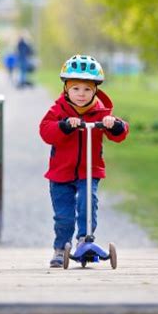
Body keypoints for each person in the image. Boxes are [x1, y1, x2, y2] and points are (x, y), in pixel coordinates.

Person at [39, 54, 129, 268]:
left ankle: (84, 240)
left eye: (87, 89)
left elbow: (121, 132)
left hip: (89, 171)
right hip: (61, 173)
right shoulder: (58, 111)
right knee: (64, 217)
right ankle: (61, 247)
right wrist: (64, 126)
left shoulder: (101, 112)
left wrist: (113, 124)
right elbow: (46, 132)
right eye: (76, 88)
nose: (81, 94)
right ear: (66, 89)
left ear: (95, 90)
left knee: (89, 203)